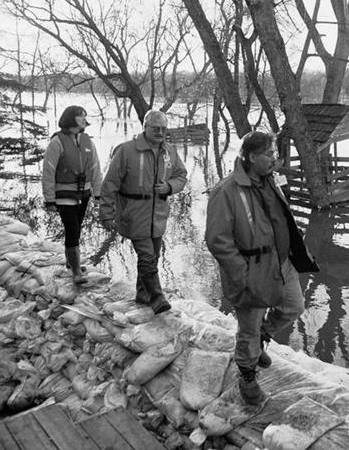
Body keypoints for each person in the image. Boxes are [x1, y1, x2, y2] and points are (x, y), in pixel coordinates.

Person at [205, 131, 319, 406]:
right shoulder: (227, 191)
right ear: (252, 156)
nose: (275, 160)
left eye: (275, 154)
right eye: (270, 154)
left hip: (281, 263)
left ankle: (260, 340)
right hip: (251, 268)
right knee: (248, 326)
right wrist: (242, 274)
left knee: (294, 306)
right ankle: (247, 373)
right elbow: (217, 240)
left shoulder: (270, 181)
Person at [98, 110, 187, 314]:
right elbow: (110, 183)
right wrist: (107, 213)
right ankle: (157, 297)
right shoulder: (127, 151)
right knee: (147, 256)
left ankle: (142, 294)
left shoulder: (170, 152)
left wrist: (170, 187)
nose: (160, 132)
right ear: (145, 127)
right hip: (134, 213)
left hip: (158, 214)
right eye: (156, 128)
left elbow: (182, 176)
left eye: (164, 129)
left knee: (153, 256)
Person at [41, 105, 103, 285]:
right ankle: (76, 271)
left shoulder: (87, 142)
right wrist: (49, 199)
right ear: (70, 118)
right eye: (80, 116)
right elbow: (48, 171)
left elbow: (95, 168)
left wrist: (98, 194)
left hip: (84, 194)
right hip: (64, 195)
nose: (84, 119)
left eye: (85, 116)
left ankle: (70, 262)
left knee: (76, 229)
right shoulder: (57, 142)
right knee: (72, 230)